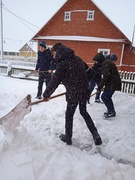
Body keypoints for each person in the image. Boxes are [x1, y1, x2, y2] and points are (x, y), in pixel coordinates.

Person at [43, 43, 102, 146]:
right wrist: (99, 83)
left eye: (53, 54)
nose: (53, 56)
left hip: (73, 93)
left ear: (57, 51)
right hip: (84, 91)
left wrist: (46, 94)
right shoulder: (78, 59)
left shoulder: (62, 64)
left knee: (69, 115)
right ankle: (96, 134)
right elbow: (90, 72)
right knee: (84, 112)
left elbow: (55, 81)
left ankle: (68, 137)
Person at [97, 54, 122, 118]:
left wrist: (100, 86)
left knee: (104, 97)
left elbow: (106, 76)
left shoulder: (107, 63)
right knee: (107, 97)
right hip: (112, 83)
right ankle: (111, 111)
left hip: (112, 84)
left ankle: (111, 111)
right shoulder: (107, 63)